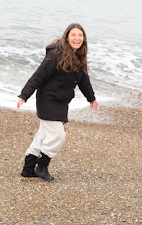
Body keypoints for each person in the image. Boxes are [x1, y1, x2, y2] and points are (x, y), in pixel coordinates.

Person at [17, 23, 98, 181]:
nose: (77, 38)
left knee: (43, 135)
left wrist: (91, 98)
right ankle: (42, 166)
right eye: (73, 35)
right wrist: (24, 95)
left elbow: (83, 80)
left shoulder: (79, 57)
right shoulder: (56, 55)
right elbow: (38, 76)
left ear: (84, 39)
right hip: (48, 100)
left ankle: (28, 169)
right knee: (58, 135)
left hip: (61, 101)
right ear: (67, 36)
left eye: (80, 35)